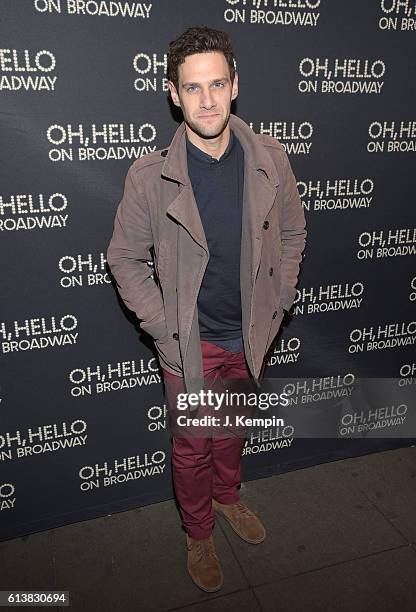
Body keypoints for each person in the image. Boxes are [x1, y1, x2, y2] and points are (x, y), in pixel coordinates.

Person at [106, 25, 307, 593]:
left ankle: (229, 498)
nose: (208, 99)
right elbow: (124, 259)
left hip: (249, 334)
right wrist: (167, 331)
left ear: (235, 84)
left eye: (218, 84)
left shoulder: (270, 158)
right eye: (193, 88)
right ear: (173, 93)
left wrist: (279, 295)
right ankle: (198, 531)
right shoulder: (151, 176)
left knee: (232, 429)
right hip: (190, 342)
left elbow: (292, 232)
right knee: (193, 446)